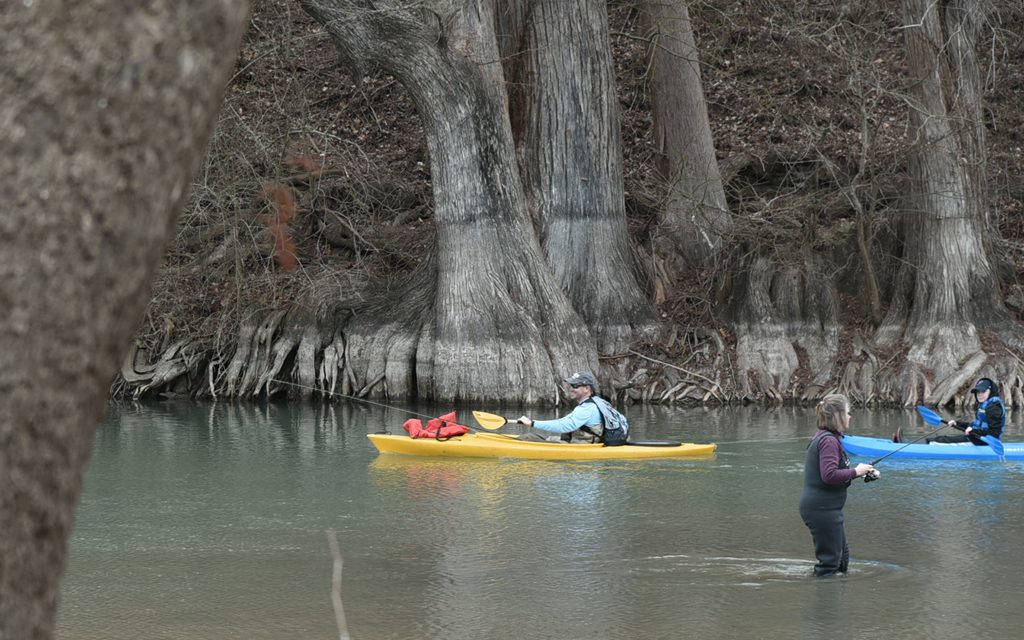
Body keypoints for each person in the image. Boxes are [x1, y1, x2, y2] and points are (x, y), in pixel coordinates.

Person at [799, 394, 877, 577]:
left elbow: (833, 476)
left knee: (842, 560)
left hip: (827, 508)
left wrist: (861, 473)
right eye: (848, 412)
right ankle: (825, 603)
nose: (850, 416)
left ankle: (836, 598)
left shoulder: (829, 438)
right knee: (829, 564)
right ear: (839, 415)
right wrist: (856, 471)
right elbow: (829, 475)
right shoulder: (828, 441)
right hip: (821, 509)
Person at [517, 372, 628, 445]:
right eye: (571, 386)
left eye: (575, 386)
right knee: (535, 437)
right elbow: (566, 421)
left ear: (587, 388)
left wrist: (532, 423)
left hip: (581, 446)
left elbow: (564, 426)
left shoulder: (587, 408)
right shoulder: (597, 402)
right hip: (579, 442)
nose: (571, 389)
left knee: (527, 437)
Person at [892, 377, 1005, 445]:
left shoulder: (994, 408)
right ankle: (910, 442)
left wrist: (974, 432)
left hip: (984, 442)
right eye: (978, 392)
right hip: (979, 438)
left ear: (990, 391)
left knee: (941, 440)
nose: (980, 394)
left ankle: (907, 444)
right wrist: (957, 423)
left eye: (983, 392)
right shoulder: (986, 405)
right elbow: (976, 425)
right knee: (942, 438)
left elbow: (993, 434)